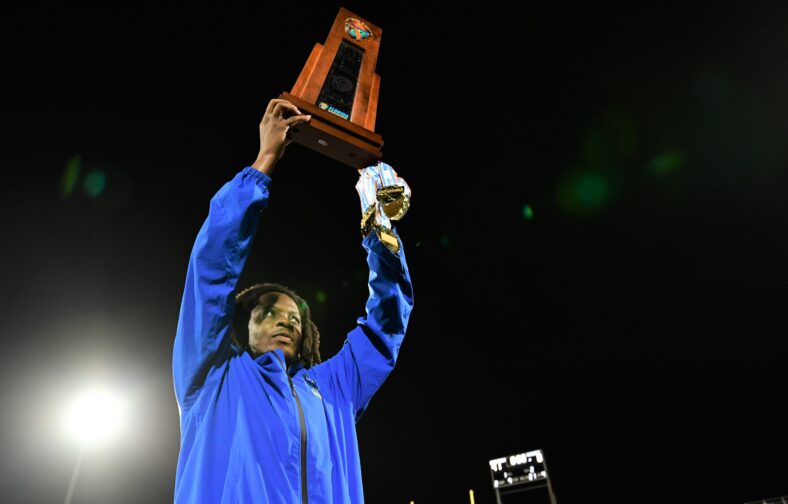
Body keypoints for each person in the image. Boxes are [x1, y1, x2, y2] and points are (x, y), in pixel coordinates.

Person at [172, 98, 414, 503]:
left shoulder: (335, 387)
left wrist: (380, 229)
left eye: (295, 318)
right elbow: (210, 270)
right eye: (268, 313)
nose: (286, 322)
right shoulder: (211, 375)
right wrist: (264, 160)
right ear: (242, 325)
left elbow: (386, 324)